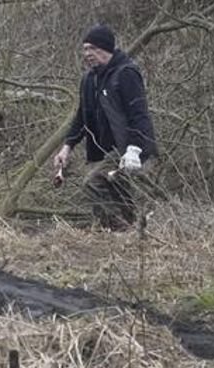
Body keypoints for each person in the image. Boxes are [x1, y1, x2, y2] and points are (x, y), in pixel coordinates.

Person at [53, 24, 158, 230]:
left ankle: (120, 233)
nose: (87, 54)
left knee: (92, 183)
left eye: (92, 48)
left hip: (128, 148)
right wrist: (67, 147)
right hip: (104, 152)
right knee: (120, 197)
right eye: (84, 49)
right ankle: (128, 236)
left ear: (106, 48)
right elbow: (81, 117)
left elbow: (139, 115)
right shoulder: (89, 79)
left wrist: (134, 149)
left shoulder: (126, 73)